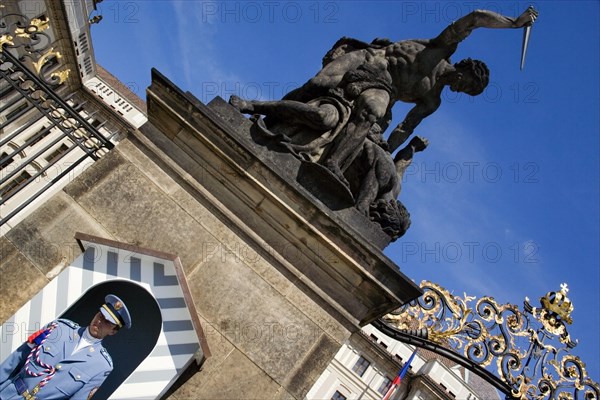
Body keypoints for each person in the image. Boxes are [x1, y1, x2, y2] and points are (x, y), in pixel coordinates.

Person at [230, 7, 538, 185]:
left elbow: (403, 129)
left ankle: (334, 164)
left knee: (374, 111)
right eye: (467, 84)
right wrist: (514, 23)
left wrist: (384, 154)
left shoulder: (432, 100)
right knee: (319, 83)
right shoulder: (442, 48)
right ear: (464, 70)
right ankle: (258, 109)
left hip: (382, 89)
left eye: (468, 92)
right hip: (369, 60)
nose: (462, 90)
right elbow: (474, 18)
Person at [0, 295, 132, 400]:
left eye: (107, 322)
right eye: (100, 315)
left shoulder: (102, 366)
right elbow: (18, 357)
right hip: (7, 394)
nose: (99, 321)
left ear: (113, 331)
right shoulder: (58, 328)